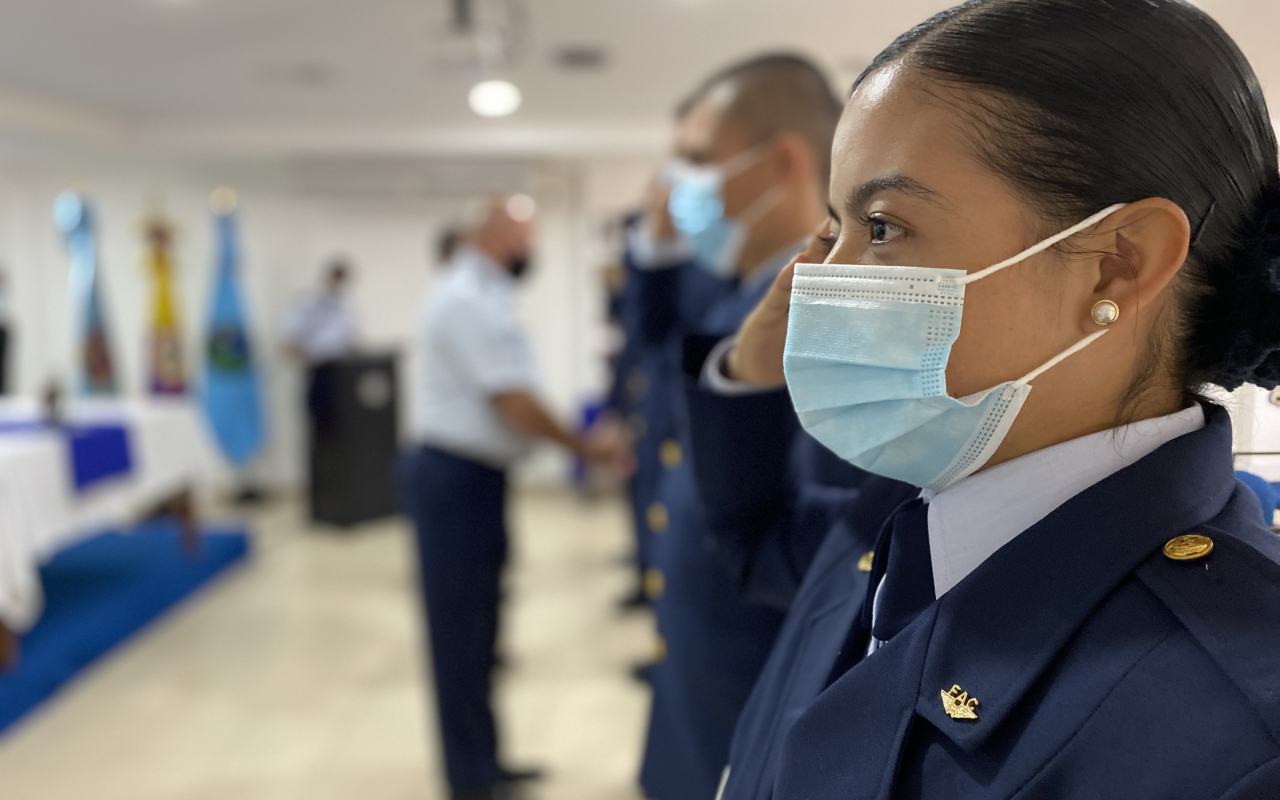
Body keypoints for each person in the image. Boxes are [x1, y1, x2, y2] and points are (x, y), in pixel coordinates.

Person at [704, 1, 1280, 797]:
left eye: (881, 227)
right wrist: (747, 365)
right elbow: (751, 541)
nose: (818, 282)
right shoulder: (914, 505)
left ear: (1118, 263)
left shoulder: (1240, 741)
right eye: (832, 230)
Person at [627, 54, 850, 800]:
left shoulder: (828, 323)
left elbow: (827, 566)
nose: (676, 185)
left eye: (697, 160)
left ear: (783, 161)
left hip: (754, 709)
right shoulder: (737, 296)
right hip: (702, 692)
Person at [400, 195, 620, 800]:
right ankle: (469, 777)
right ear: (495, 237)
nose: (533, 251)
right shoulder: (464, 298)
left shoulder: (485, 293)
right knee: (459, 635)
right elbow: (513, 400)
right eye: (526, 239)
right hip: (453, 479)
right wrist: (585, 446)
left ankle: (485, 762)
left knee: (481, 631)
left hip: (476, 476)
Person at [283, 259, 360, 518]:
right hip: (319, 375)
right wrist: (307, 358)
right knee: (318, 440)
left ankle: (343, 499)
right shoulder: (307, 305)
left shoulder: (346, 306)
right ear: (327, 277)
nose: (339, 285)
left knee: (343, 439)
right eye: (337, 279)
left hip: (345, 376)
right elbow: (289, 343)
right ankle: (319, 502)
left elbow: (353, 340)